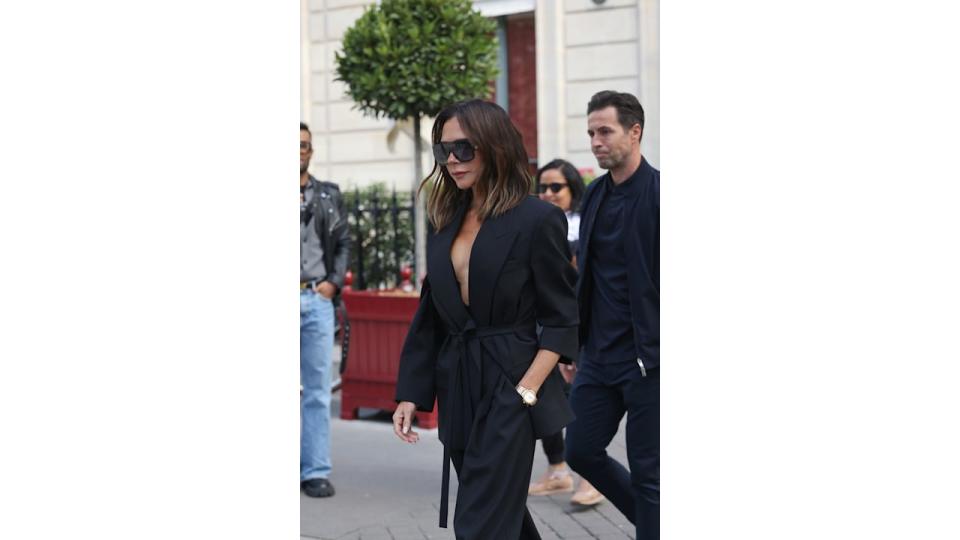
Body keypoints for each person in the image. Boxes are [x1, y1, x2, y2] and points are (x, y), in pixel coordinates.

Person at [392, 99, 579, 539]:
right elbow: (431, 315)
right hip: (458, 385)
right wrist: (410, 394)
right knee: (502, 517)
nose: (452, 161)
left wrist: (527, 389)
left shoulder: (538, 219)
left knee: (478, 522)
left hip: (511, 384)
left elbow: (562, 315)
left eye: (464, 149)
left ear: (494, 146)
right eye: (443, 151)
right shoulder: (445, 219)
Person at [564, 91, 660, 540]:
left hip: (648, 360)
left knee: (649, 474)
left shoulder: (660, 194)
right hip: (598, 357)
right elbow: (587, 276)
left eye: (605, 131)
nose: (596, 142)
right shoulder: (596, 194)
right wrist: (574, 345)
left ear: (634, 131)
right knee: (580, 451)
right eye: (591, 133)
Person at [527, 160, 604, 507]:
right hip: (543, 324)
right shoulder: (536, 223)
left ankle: (590, 478)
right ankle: (558, 470)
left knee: (581, 399)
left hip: (582, 324)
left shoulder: (584, 223)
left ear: (573, 188)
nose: (547, 194)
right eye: (542, 187)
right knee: (544, 398)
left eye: (555, 187)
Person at [300, 121, 350, 498]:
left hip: (316, 298)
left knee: (317, 390)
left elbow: (344, 241)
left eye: (305, 145)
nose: (299, 151)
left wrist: (333, 282)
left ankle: (314, 470)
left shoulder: (328, 195)